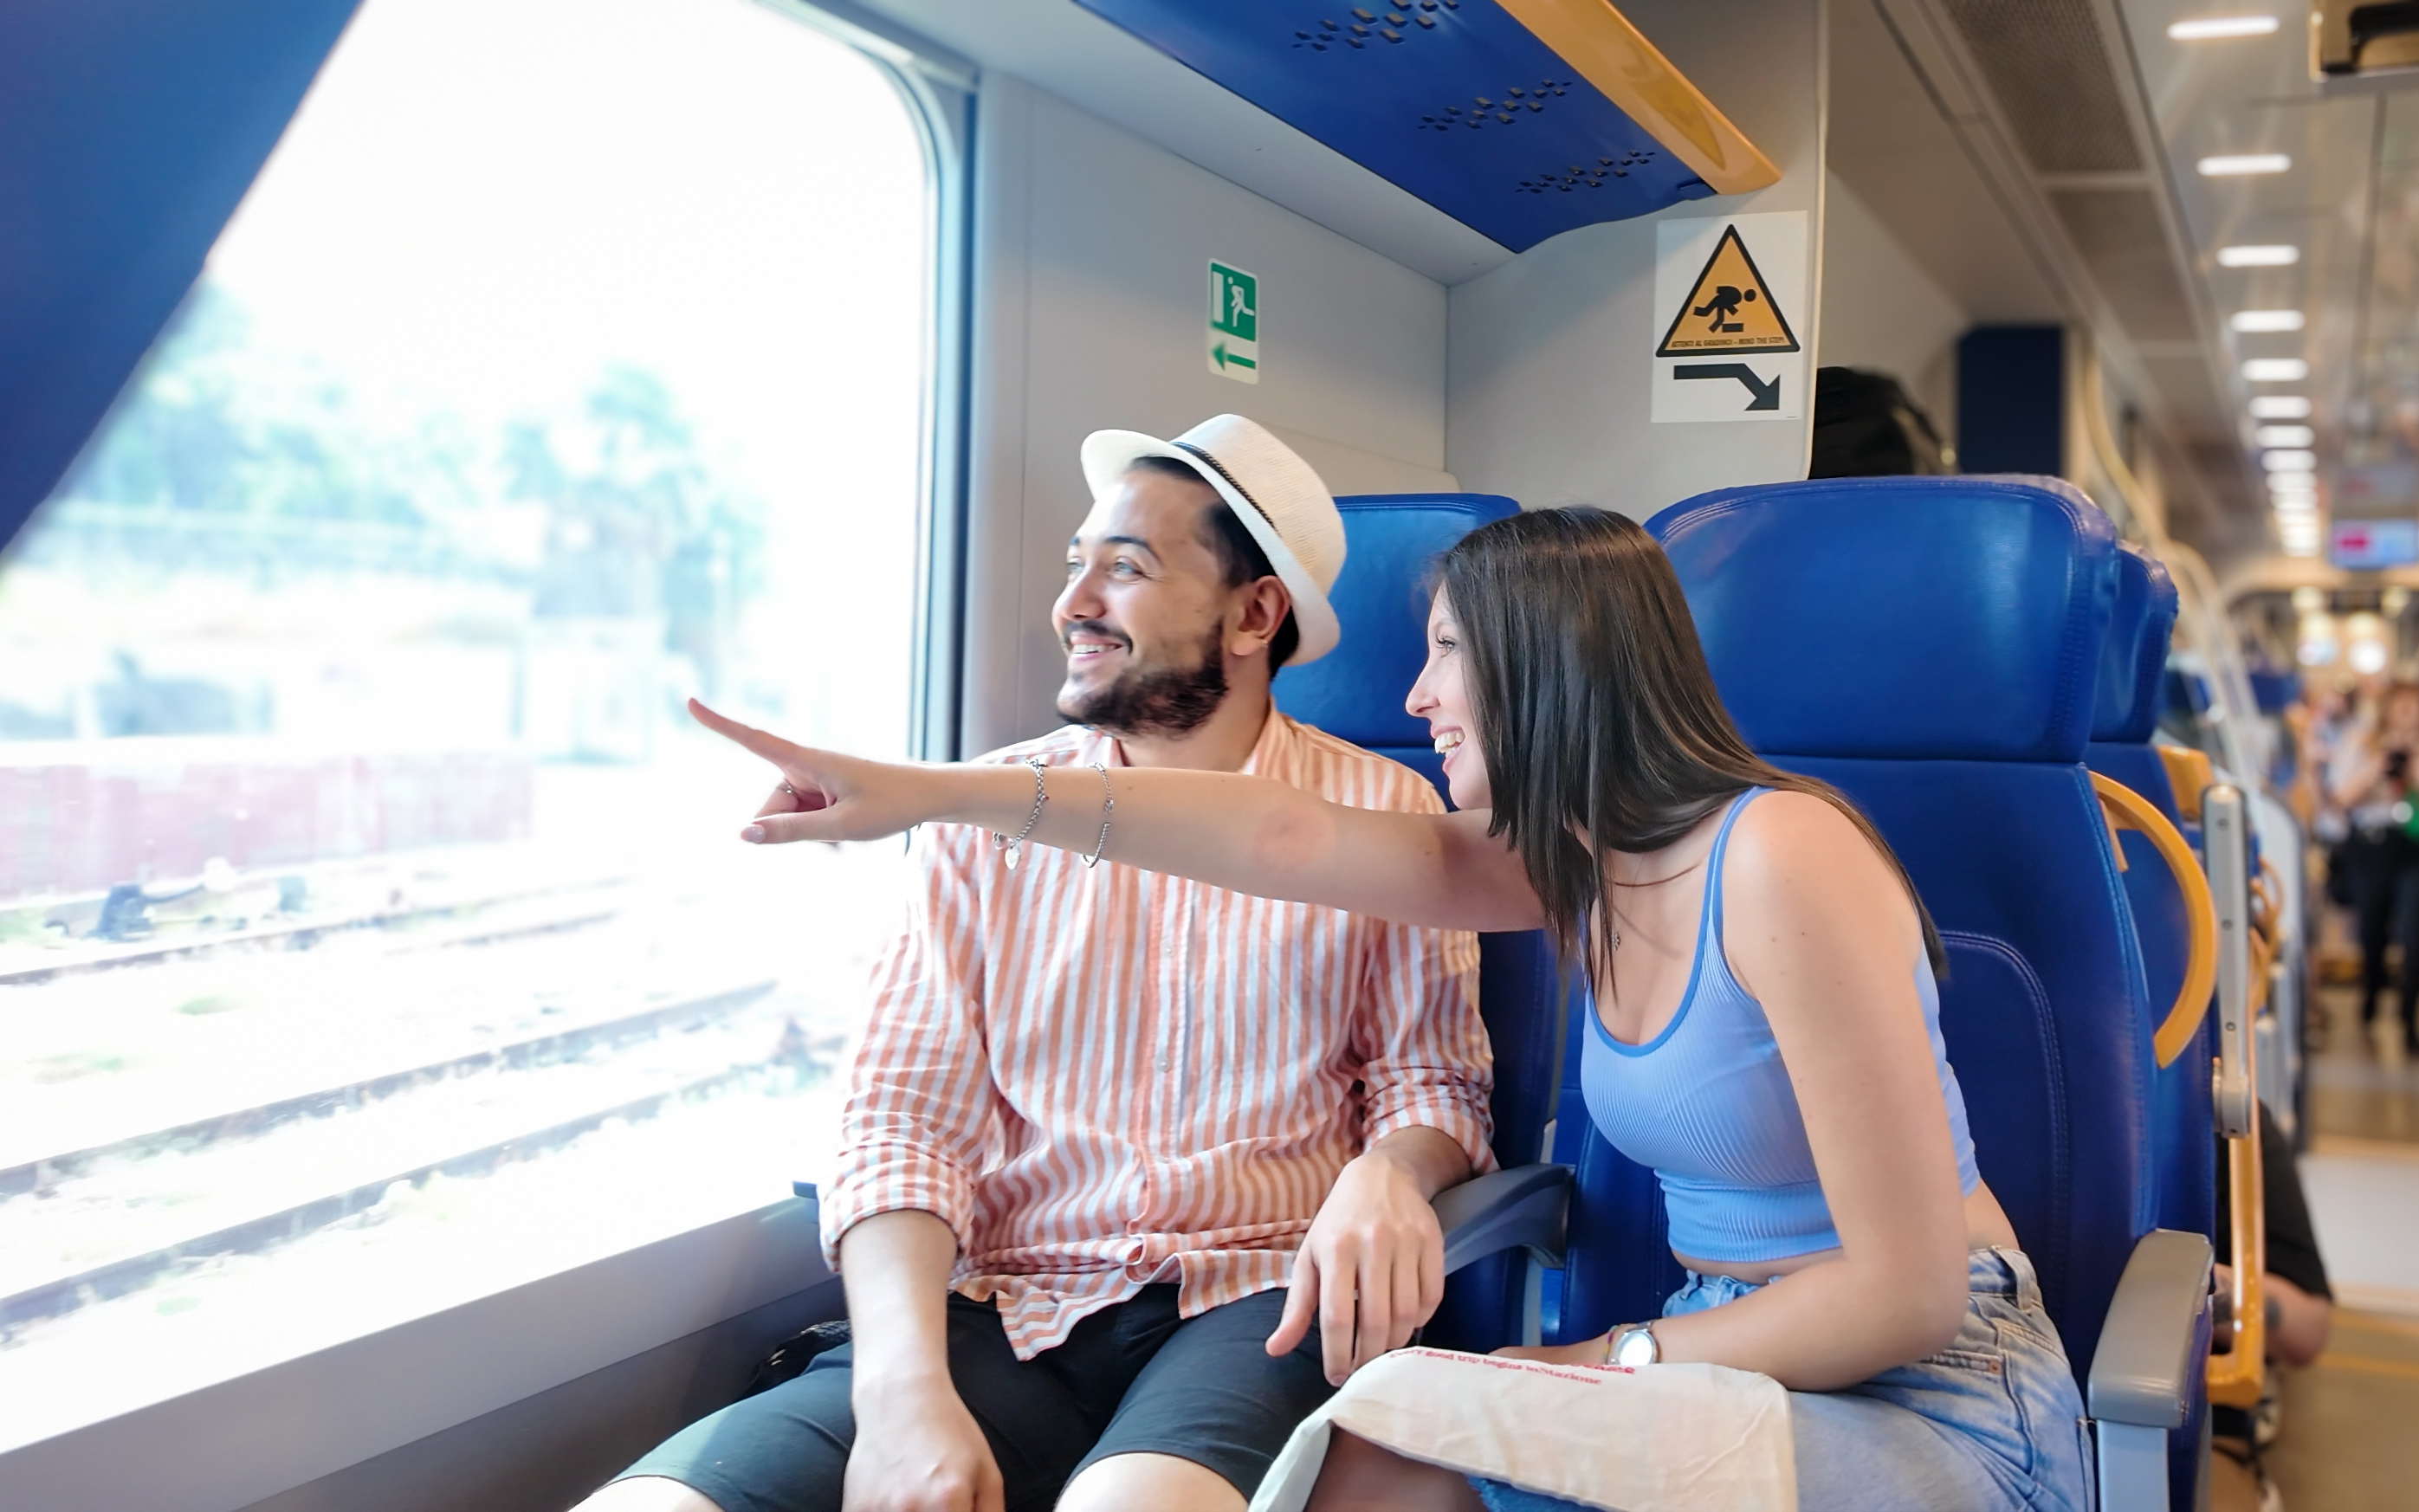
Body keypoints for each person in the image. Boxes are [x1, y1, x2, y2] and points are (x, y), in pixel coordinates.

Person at [700, 507, 2095, 1511]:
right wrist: (932, 793)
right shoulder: (1566, 870)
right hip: (1719, 1354)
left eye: (1443, 653)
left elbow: (1904, 1294)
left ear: (1549, 662)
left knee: (1396, 1426)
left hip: (1933, 1386)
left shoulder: (1782, 854)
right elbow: (1276, 836)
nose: (1415, 694)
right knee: (1370, 1443)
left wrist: (1603, 1357)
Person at [583, 415, 1494, 1512]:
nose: (1072, 605)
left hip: (1255, 1291)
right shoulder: (979, 817)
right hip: (1002, 1301)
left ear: (1255, 613)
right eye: (1077, 566)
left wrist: (1389, 1170)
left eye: (1126, 568)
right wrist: (902, 1392)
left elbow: (1431, 1079)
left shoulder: (1383, 809)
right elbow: (900, 1121)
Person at [2325, 679, 2419, 1056]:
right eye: (2403, 706)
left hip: (2411, 846)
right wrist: (2377, 768)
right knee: (2371, 931)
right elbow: (2341, 799)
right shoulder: (2360, 743)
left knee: (2413, 933)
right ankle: (2372, 994)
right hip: (2370, 844)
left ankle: (2407, 1017)